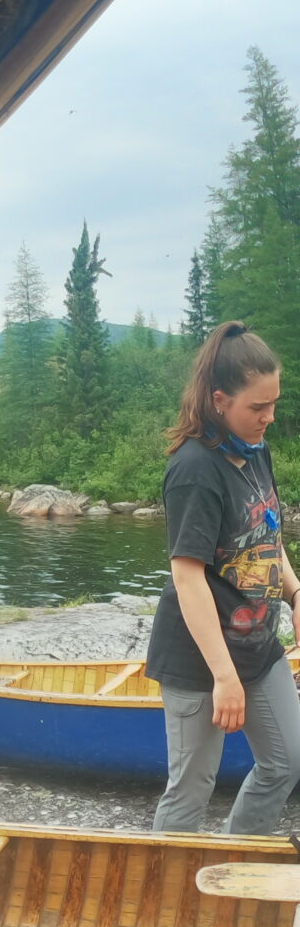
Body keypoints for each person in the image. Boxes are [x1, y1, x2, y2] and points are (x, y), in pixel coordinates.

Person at [147, 320, 300, 834]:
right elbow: (188, 579)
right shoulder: (194, 469)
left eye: (272, 404)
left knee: (287, 762)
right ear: (219, 400)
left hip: (258, 643)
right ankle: (168, 905)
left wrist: (297, 592)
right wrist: (224, 677)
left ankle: (233, 863)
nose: (269, 417)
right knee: (192, 787)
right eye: (257, 407)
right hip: (199, 659)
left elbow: (266, 535)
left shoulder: (255, 452)